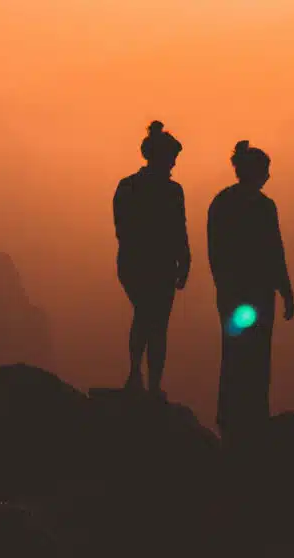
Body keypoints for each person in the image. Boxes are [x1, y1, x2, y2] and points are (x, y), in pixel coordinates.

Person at [208, 140, 294, 445]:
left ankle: (233, 413)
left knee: (235, 350)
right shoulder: (262, 206)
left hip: (237, 292)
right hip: (254, 291)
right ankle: (252, 413)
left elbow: (215, 252)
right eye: (266, 170)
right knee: (256, 351)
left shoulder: (222, 202)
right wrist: (285, 290)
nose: (269, 176)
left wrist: (224, 285)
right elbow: (275, 251)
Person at [112, 120, 191, 398]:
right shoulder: (171, 191)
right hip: (155, 264)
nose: (174, 164)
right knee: (155, 320)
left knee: (146, 317)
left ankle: (139, 377)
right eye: (172, 159)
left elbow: (121, 228)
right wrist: (184, 260)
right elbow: (178, 230)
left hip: (136, 263)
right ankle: (148, 382)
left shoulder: (128, 186)